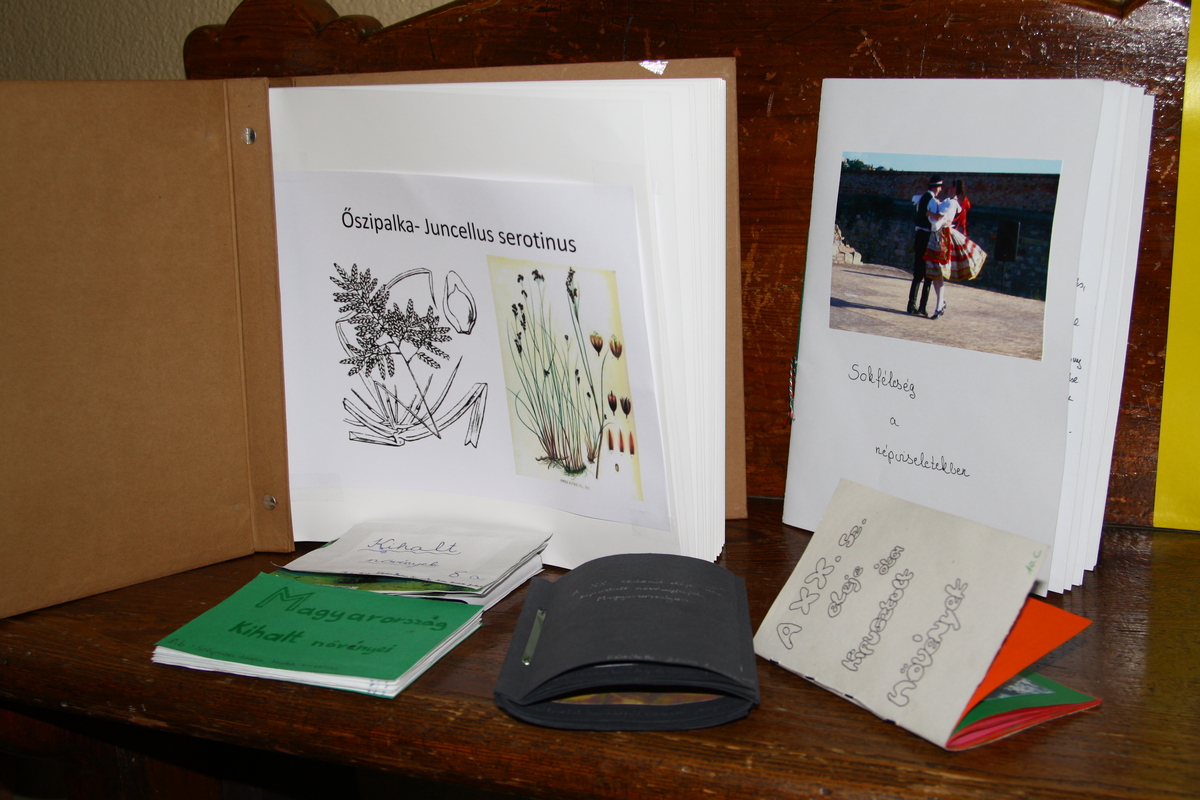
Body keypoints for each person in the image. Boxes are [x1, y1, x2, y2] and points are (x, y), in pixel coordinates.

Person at [923, 178, 987, 320]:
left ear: (955, 189)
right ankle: (940, 304)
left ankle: (939, 305)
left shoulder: (952, 203)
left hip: (943, 237)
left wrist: (927, 213)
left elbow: (939, 217)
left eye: (951, 187)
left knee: (939, 271)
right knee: (935, 273)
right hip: (937, 236)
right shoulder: (948, 201)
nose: (948, 189)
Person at [908, 176, 942, 316]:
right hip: (927, 237)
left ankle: (912, 303)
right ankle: (922, 306)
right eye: (939, 187)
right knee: (928, 273)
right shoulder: (932, 200)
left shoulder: (921, 198)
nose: (940, 190)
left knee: (918, 273)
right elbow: (934, 223)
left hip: (919, 236)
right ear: (935, 187)